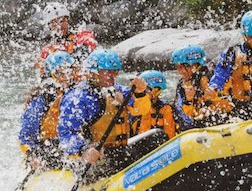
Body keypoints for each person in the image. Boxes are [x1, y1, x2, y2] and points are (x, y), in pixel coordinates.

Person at [57, 49, 153, 180]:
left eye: (115, 72)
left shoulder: (116, 90)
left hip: (119, 151)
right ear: (94, 72)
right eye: (108, 72)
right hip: (95, 160)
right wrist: (83, 150)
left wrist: (141, 93)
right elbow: (66, 133)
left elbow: (140, 110)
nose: (113, 76)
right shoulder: (78, 98)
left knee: (156, 136)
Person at [19, 51, 76, 170]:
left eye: (68, 71)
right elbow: (26, 133)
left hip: (70, 143)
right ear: (51, 76)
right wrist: (32, 155)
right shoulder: (42, 98)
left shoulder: (77, 93)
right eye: (60, 73)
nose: (65, 77)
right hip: (48, 147)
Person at [172, 45, 232, 131]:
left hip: (221, 124)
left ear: (194, 66)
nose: (180, 71)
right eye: (177, 67)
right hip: (196, 129)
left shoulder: (214, 79)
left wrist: (212, 99)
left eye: (182, 67)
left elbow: (228, 106)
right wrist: (188, 100)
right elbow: (186, 116)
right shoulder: (182, 85)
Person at [36, 1, 97, 76]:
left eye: (62, 21)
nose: (60, 25)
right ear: (50, 26)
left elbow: (90, 50)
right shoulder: (47, 51)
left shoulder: (83, 36)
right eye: (55, 22)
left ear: (68, 21)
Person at [132, 70, 176, 139]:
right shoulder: (133, 107)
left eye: (145, 89)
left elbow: (171, 137)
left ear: (157, 90)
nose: (140, 91)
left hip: (159, 147)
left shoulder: (166, 109)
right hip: (137, 146)